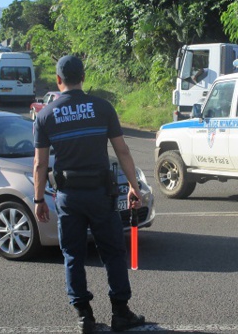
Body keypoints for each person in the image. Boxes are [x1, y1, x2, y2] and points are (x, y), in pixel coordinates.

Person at [32, 55, 145, 333]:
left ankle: (84, 317)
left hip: (68, 197)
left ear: (59, 81)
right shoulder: (103, 108)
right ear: (83, 77)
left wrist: (38, 199)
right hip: (100, 195)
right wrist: (134, 186)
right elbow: (122, 151)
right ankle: (121, 313)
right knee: (113, 253)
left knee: (73, 255)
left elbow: (40, 164)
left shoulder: (46, 116)